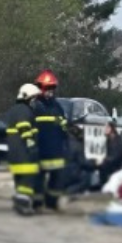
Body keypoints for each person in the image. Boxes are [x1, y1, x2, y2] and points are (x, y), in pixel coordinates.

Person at [32, 70, 69, 210]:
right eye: (48, 88)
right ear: (40, 87)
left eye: (52, 88)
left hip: (55, 150)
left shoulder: (56, 106)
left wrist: (67, 134)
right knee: (38, 179)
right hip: (39, 149)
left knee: (57, 178)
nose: (50, 91)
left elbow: (63, 124)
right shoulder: (34, 105)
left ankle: (52, 202)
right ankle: (36, 203)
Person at [3, 84, 41, 216]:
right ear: (27, 97)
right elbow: (24, 127)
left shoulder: (15, 109)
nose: (35, 102)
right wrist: (31, 144)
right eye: (34, 98)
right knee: (27, 180)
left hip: (15, 153)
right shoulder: (24, 110)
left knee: (19, 181)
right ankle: (23, 205)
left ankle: (19, 202)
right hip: (23, 152)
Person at [99, 120, 122, 187]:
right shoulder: (109, 140)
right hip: (113, 165)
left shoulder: (118, 140)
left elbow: (116, 157)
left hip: (121, 167)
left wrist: (104, 161)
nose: (105, 129)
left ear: (112, 129)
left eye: (107, 127)